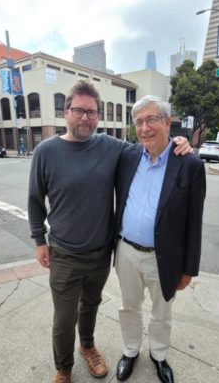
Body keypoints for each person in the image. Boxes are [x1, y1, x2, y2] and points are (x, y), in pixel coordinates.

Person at [28, 80, 191, 383]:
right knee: (64, 320)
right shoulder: (46, 151)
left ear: (98, 116)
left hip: (101, 253)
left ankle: (88, 346)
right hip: (63, 253)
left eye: (92, 112)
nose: (85, 118)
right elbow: (35, 200)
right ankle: (63, 368)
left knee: (90, 305)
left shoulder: (111, 148)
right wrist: (39, 241)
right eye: (79, 111)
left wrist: (179, 141)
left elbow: (150, 145)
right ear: (66, 112)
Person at [114, 95, 206, 383]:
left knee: (162, 311)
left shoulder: (189, 164)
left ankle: (159, 355)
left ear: (168, 122)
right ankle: (130, 351)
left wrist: (189, 268)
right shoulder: (127, 156)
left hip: (164, 256)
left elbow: (194, 223)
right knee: (128, 306)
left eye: (151, 119)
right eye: (139, 122)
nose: (145, 128)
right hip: (126, 251)